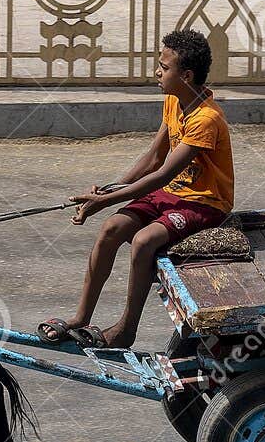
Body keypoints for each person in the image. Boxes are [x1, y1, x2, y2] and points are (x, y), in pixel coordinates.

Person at [41, 29, 235, 350]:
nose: (157, 72)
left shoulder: (206, 119)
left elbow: (162, 174)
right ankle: (81, 317)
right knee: (111, 228)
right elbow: (153, 157)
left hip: (204, 203)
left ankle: (126, 329)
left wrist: (105, 200)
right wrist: (110, 189)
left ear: (185, 75)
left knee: (144, 242)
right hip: (171, 193)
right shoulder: (174, 101)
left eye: (164, 67)